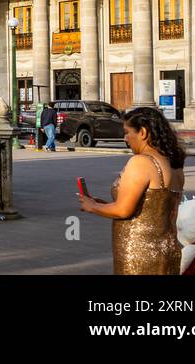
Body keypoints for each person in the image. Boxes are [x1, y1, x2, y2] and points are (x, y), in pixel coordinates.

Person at [79, 106, 185, 274]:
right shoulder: (174, 164)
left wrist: (92, 206)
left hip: (139, 251)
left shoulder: (141, 162)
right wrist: (106, 206)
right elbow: (154, 210)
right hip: (168, 247)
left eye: (127, 132)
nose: (126, 138)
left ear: (142, 132)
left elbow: (123, 210)